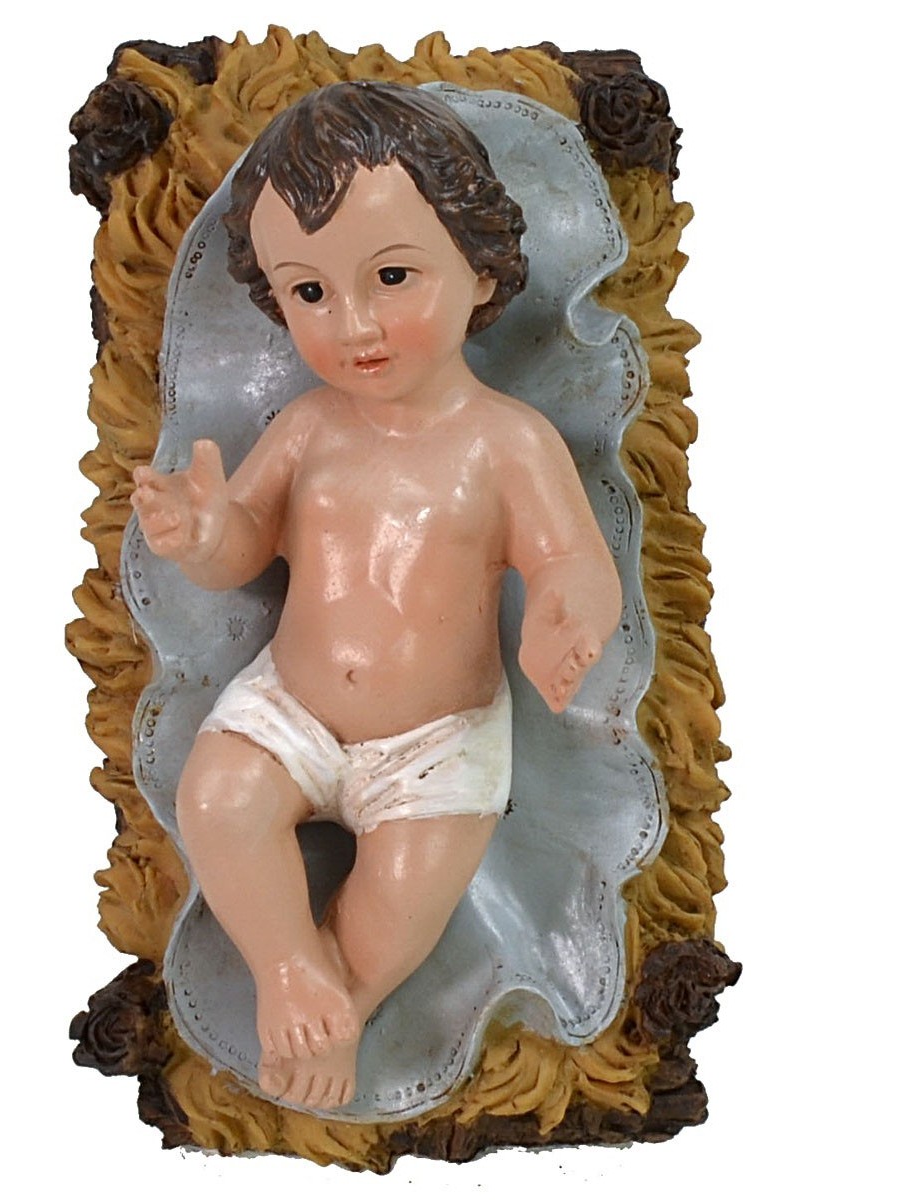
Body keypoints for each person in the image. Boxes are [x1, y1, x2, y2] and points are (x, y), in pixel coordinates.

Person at [130, 82, 622, 1111]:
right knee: (219, 799)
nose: (352, 324)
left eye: (391, 276)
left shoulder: (507, 442)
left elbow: (571, 559)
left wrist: (571, 614)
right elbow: (246, 547)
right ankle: (288, 971)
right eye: (309, 292)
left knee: (404, 905)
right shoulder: (309, 426)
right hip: (291, 711)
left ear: (480, 268)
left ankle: (341, 1006)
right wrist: (207, 535)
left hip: (438, 747)